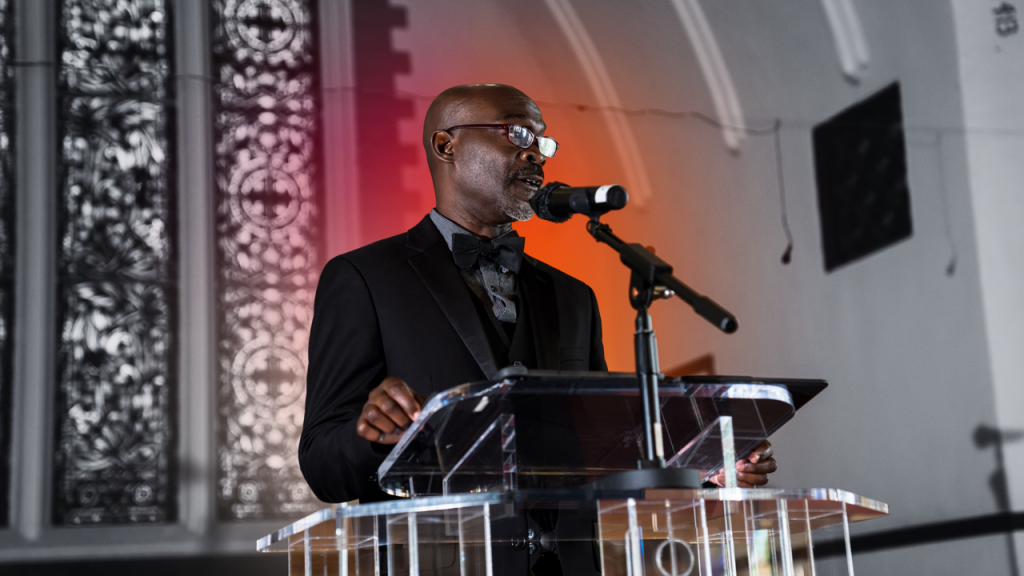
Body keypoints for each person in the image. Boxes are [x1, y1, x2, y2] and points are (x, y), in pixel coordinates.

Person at [298, 83, 776, 508]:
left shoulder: (573, 298)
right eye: (517, 134)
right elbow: (322, 465)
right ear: (447, 146)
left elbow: (604, 452)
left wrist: (707, 472)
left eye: (541, 141)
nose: (538, 156)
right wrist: (378, 438)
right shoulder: (363, 277)